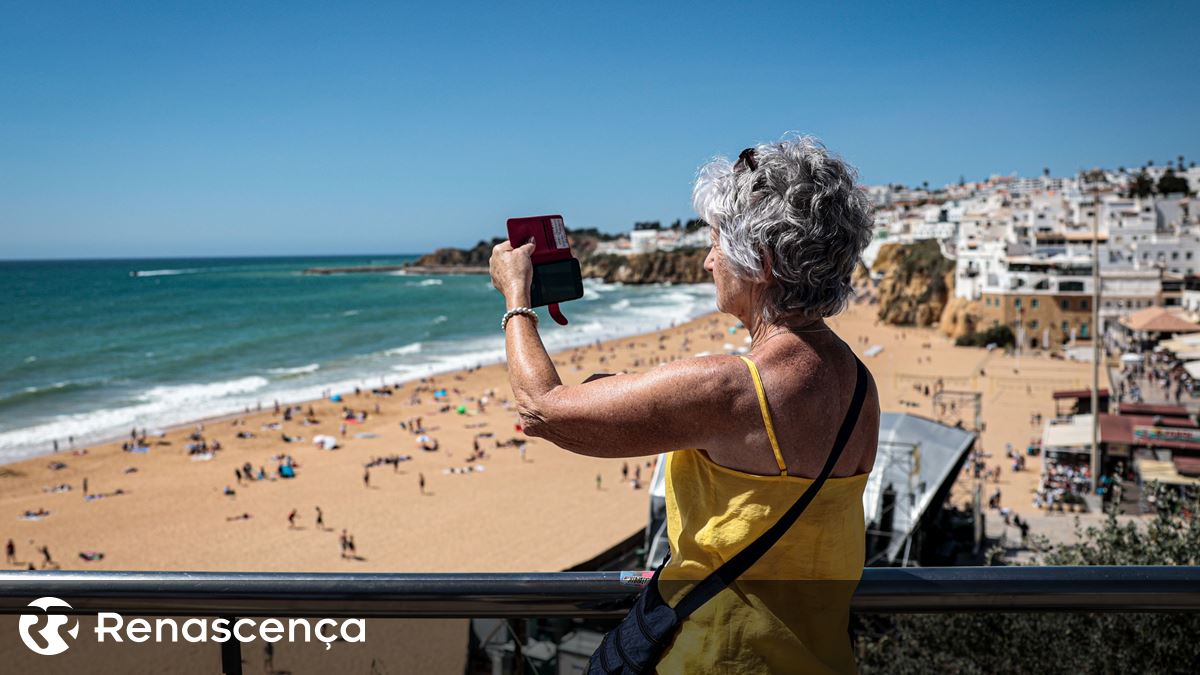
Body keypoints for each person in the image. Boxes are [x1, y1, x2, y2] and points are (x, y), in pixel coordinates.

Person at [489, 136, 878, 673]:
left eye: (716, 243)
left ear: (760, 263)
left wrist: (516, 299)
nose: (705, 262)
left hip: (720, 659)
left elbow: (541, 407)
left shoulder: (733, 389)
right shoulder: (858, 382)